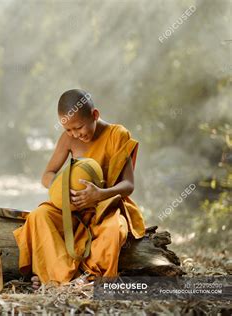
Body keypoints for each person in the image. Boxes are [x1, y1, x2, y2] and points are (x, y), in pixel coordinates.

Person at [13, 89, 146, 288]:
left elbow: (128, 185)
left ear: (95, 115)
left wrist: (100, 194)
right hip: (72, 209)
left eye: (79, 127)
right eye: (68, 129)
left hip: (105, 208)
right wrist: (61, 189)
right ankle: (58, 274)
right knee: (38, 216)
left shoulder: (117, 135)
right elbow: (47, 175)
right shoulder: (68, 139)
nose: (75, 134)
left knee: (115, 229)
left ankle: (86, 275)